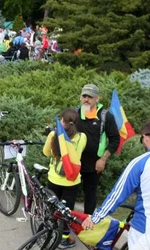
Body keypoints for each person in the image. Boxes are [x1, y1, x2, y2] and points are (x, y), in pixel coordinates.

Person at [82, 121, 150, 249]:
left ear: (146, 137)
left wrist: (95, 218)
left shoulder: (141, 163)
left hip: (144, 232)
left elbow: (117, 194)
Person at [43, 109, 87, 248]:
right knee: (67, 210)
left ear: (62, 121)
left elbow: (46, 152)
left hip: (54, 179)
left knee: (52, 207)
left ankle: (49, 232)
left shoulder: (53, 134)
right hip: (72, 181)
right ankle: (64, 238)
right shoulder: (82, 137)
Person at [75, 84, 120, 214]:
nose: (86, 99)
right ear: (80, 97)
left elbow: (115, 140)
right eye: (84, 96)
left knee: (90, 194)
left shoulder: (106, 116)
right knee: (69, 193)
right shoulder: (75, 114)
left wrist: (103, 159)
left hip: (94, 164)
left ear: (97, 98)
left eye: (90, 96)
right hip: (74, 162)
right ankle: (65, 226)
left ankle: (87, 225)